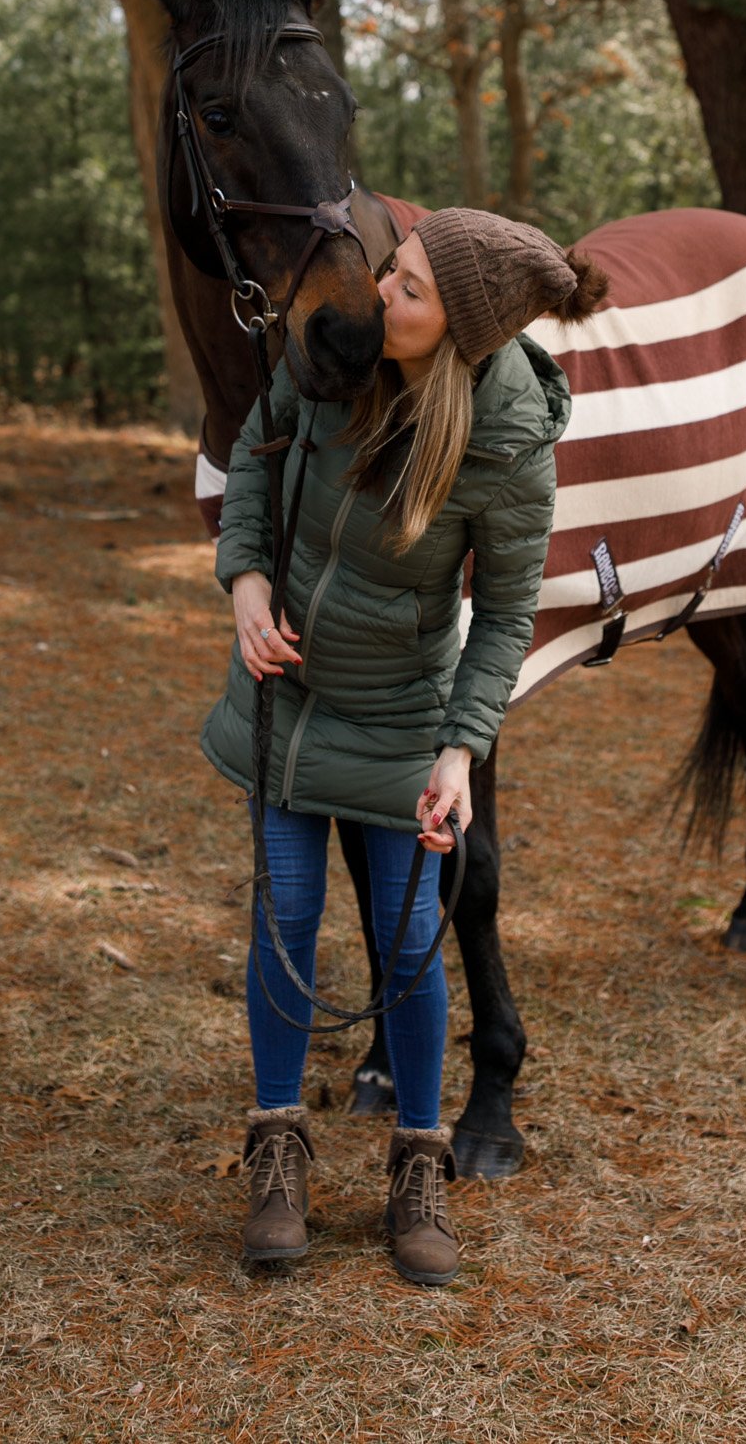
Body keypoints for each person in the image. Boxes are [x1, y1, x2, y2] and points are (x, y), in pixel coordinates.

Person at [203, 206, 609, 1283]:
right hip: (286, 692)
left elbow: (510, 613)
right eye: (396, 270)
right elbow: (253, 452)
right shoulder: (333, 347)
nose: (382, 293)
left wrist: (461, 751)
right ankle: (279, 1147)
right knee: (284, 916)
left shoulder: (508, 443)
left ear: (465, 330)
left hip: (399, 717)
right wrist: (246, 579)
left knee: (409, 934)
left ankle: (416, 1163)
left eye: (412, 291)